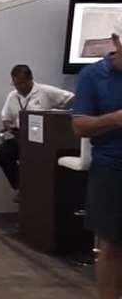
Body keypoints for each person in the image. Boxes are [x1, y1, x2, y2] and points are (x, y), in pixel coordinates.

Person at [72, 34, 122, 299]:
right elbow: (79, 126)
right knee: (111, 245)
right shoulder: (93, 76)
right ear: (117, 41)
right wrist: (116, 119)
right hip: (111, 170)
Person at [0, 65, 74, 195]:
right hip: (20, 135)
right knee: (0, 152)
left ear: (30, 79)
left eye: (20, 83)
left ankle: (34, 188)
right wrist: (10, 128)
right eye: (15, 84)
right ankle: (21, 185)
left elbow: (71, 98)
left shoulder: (45, 91)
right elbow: (6, 118)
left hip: (41, 138)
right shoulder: (12, 96)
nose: (17, 87)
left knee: (34, 154)